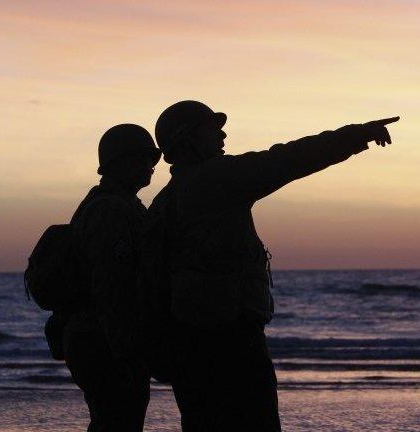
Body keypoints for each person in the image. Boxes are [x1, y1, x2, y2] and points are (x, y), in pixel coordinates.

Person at [147, 100, 398, 431]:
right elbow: (286, 160)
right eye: (212, 129)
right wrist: (354, 136)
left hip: (190, 340)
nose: (222, 135)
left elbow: (152, 282)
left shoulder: (165, 200)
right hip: (229, 339)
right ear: (188, 139)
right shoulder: (213, 180)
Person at [63, 124, 161, 432]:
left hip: (101, 339)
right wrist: (125, 350)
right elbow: (112, 286)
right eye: (145, 159)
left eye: (153, 158)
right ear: (121, 162)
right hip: (104, 343)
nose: (151, 167)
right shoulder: (111, 211)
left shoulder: (120, 205)